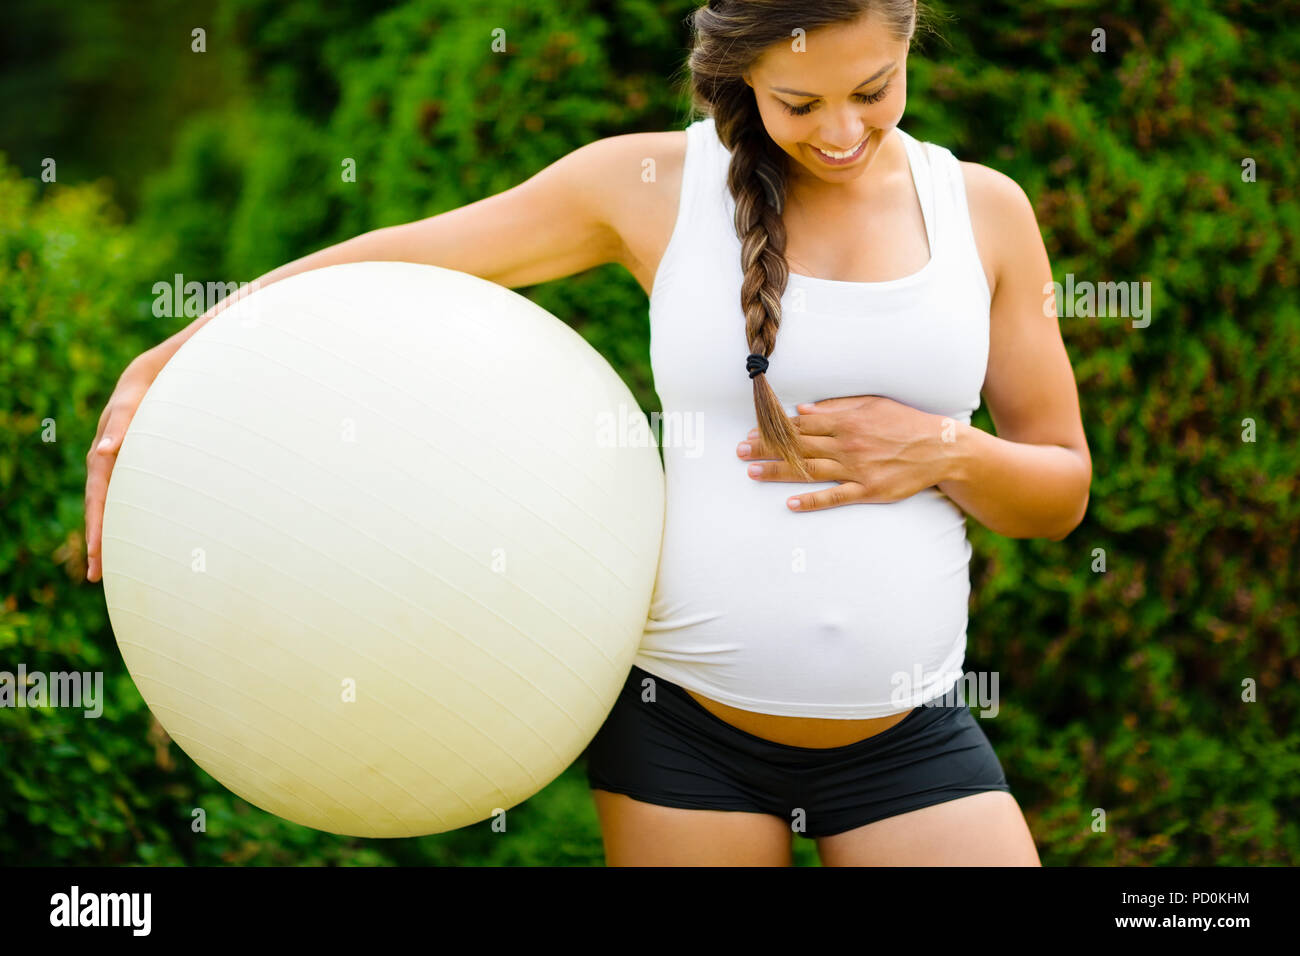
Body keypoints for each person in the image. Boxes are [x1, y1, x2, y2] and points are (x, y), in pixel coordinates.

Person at [86, 0, 1090, 866]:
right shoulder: (649, 186)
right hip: (685, 740)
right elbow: (394, 262)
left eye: (873, 88)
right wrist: (166, 358)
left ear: (908, 35)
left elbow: (1059, 488)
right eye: (798, 102)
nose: (839, 129)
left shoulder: (983, 212)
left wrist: (943, 451)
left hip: (908, 736)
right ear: (741, 73)